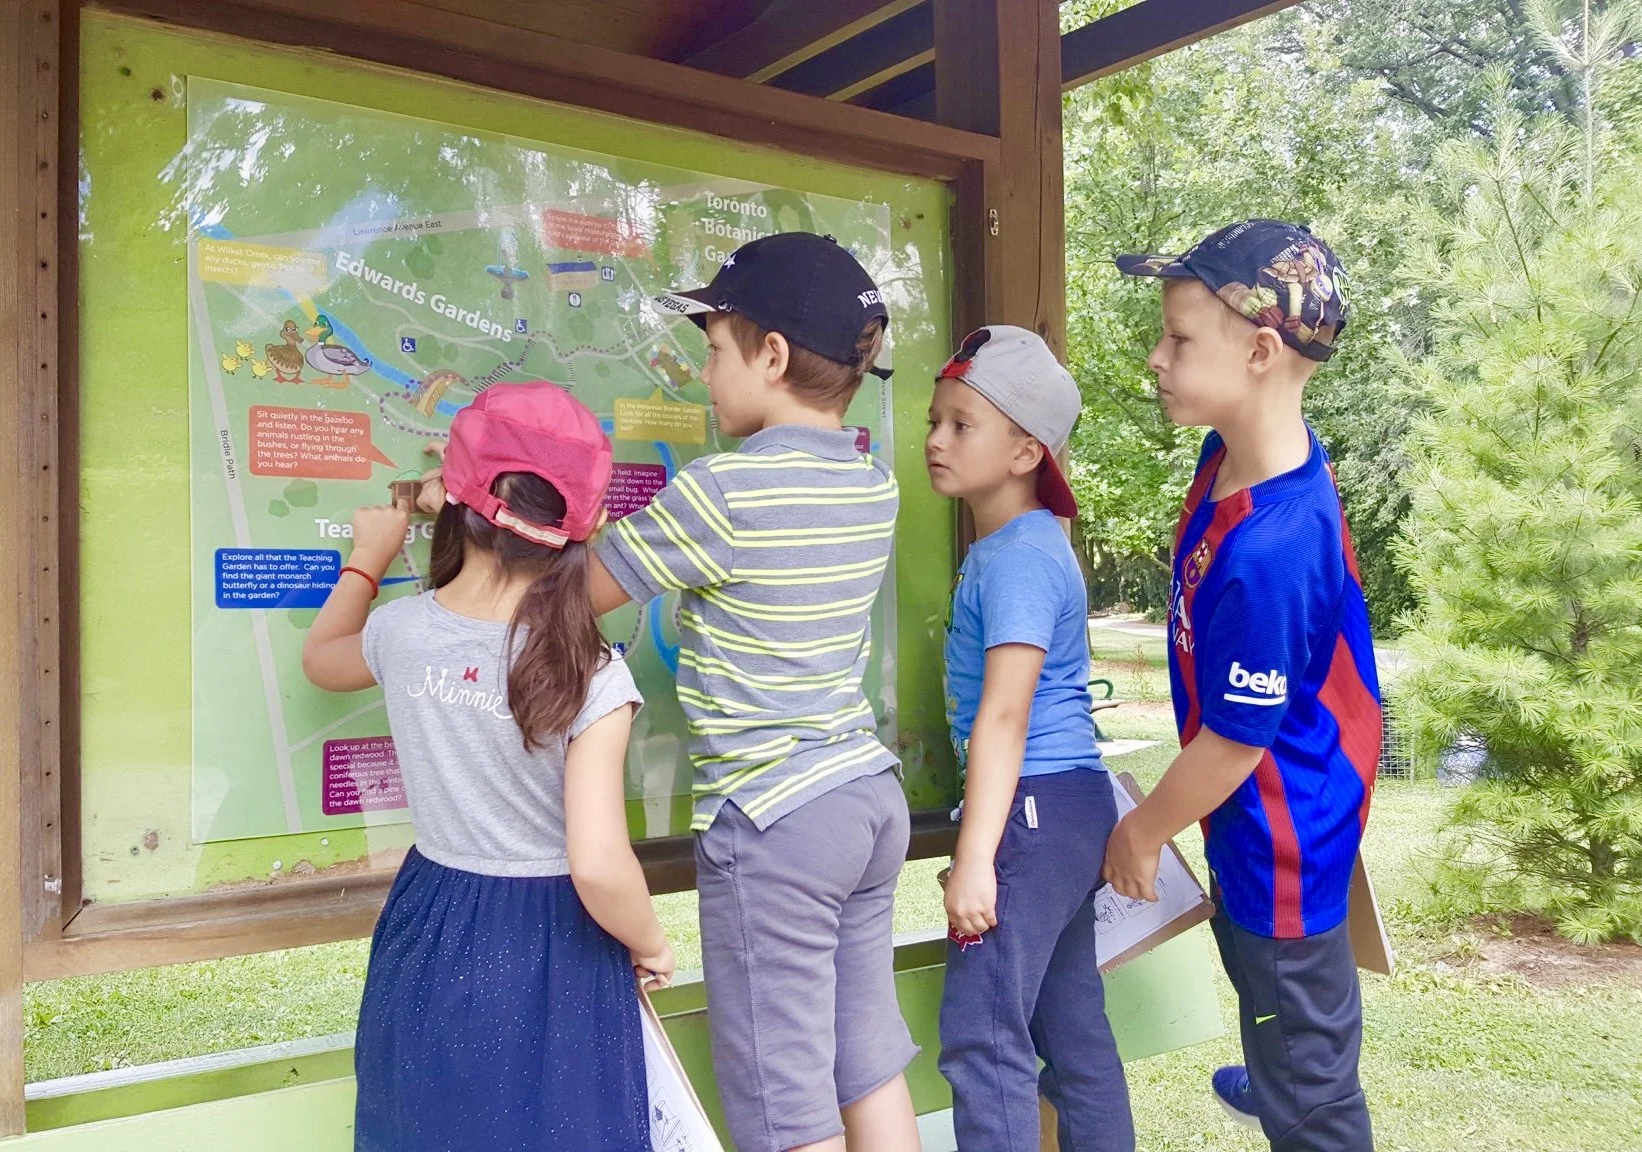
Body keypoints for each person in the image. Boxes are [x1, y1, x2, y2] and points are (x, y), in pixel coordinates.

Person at [590, 232, 922, 1152]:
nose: (704, 375)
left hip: (776, 820)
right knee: (866, 1059)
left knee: (784, 1101)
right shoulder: (872, 485)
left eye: (713, 350)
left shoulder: (722, 491)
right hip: (864, 797)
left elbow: (585, 590)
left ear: (770, 354)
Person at [301, 381, 670, 1152]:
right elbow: (599, 864)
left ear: (455, 502)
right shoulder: (589, 669)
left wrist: (368, 558)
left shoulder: (401, 633)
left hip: (430, 917)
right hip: (556, 939)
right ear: (586, 527)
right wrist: (650, 941)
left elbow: (321, 658)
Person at [1104, 220, 1383, 1152]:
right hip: (1259, 823)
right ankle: (1283, 1066)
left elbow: (1233, 741)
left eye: (1179, 339)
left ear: (1262, 351)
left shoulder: (1271, 549)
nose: (1156, 357)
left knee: (1311, 1078)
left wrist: (1143, 833)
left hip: (1283, 841)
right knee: (1276, 1002)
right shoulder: (1227, 457)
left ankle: (1296, 1090)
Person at [927, 325, 1134, 1152]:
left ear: (1024, 452)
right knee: (1071, 1030)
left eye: (962, 425)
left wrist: (977, 859)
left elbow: (1005, 716)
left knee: (985, 1037)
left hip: (1032, 810)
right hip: (1068, 802)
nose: (937, 439)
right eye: (935, 420)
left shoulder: (1015, 558)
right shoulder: (1023, 546)